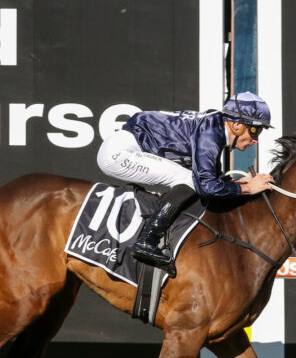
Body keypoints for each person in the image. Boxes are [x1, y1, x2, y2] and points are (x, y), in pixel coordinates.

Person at [96, 91, 275, 270]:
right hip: (119, 153)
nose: (256, 140)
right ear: (237, 125)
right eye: (255, 130)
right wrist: (248, 189)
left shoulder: (214, 127)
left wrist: (237, 183)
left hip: (126, 145)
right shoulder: (210, 133)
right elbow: (206, 186)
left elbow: (210, 175)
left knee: (189, 179)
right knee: (189, 181)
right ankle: (148, 240)